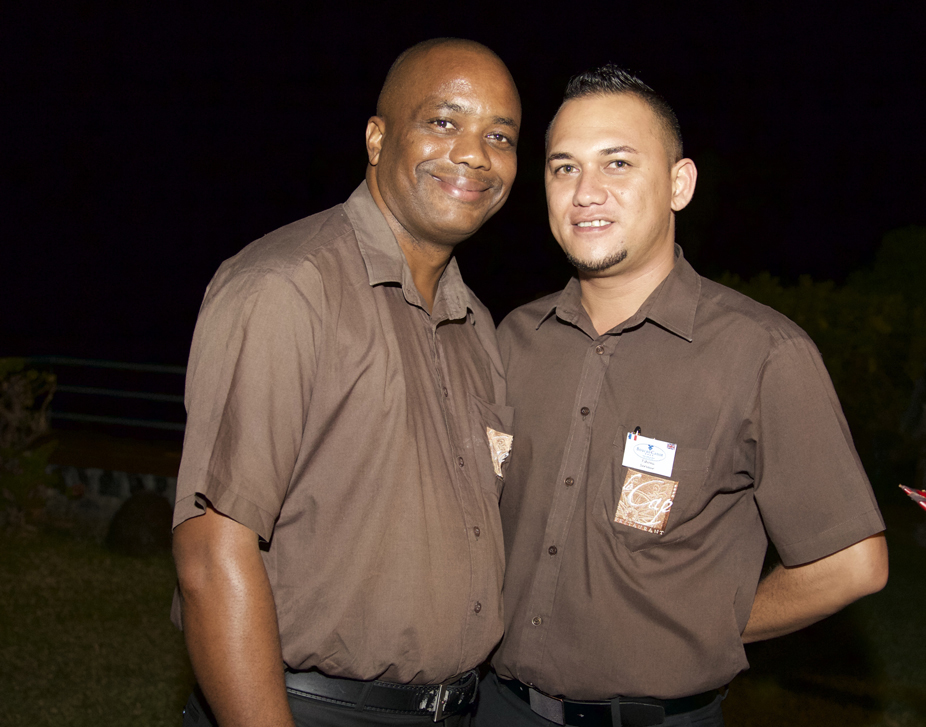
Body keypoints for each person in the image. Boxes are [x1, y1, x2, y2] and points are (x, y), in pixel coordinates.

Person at [474, 65, 888, 727]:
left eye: (617, 163)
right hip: (498, 707)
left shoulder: (761, 354)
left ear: (679, 184)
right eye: (564, 168)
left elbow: (851, 564)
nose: (586, 192)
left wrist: (706, 629)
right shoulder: (515, 337)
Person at [171, 38, 521, 727]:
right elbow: (212, 554)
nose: (475, 154)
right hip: (306, 707)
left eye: (500, 136)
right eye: (443, 122)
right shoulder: (288, 287)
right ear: (377, 138)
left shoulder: (477, 325)